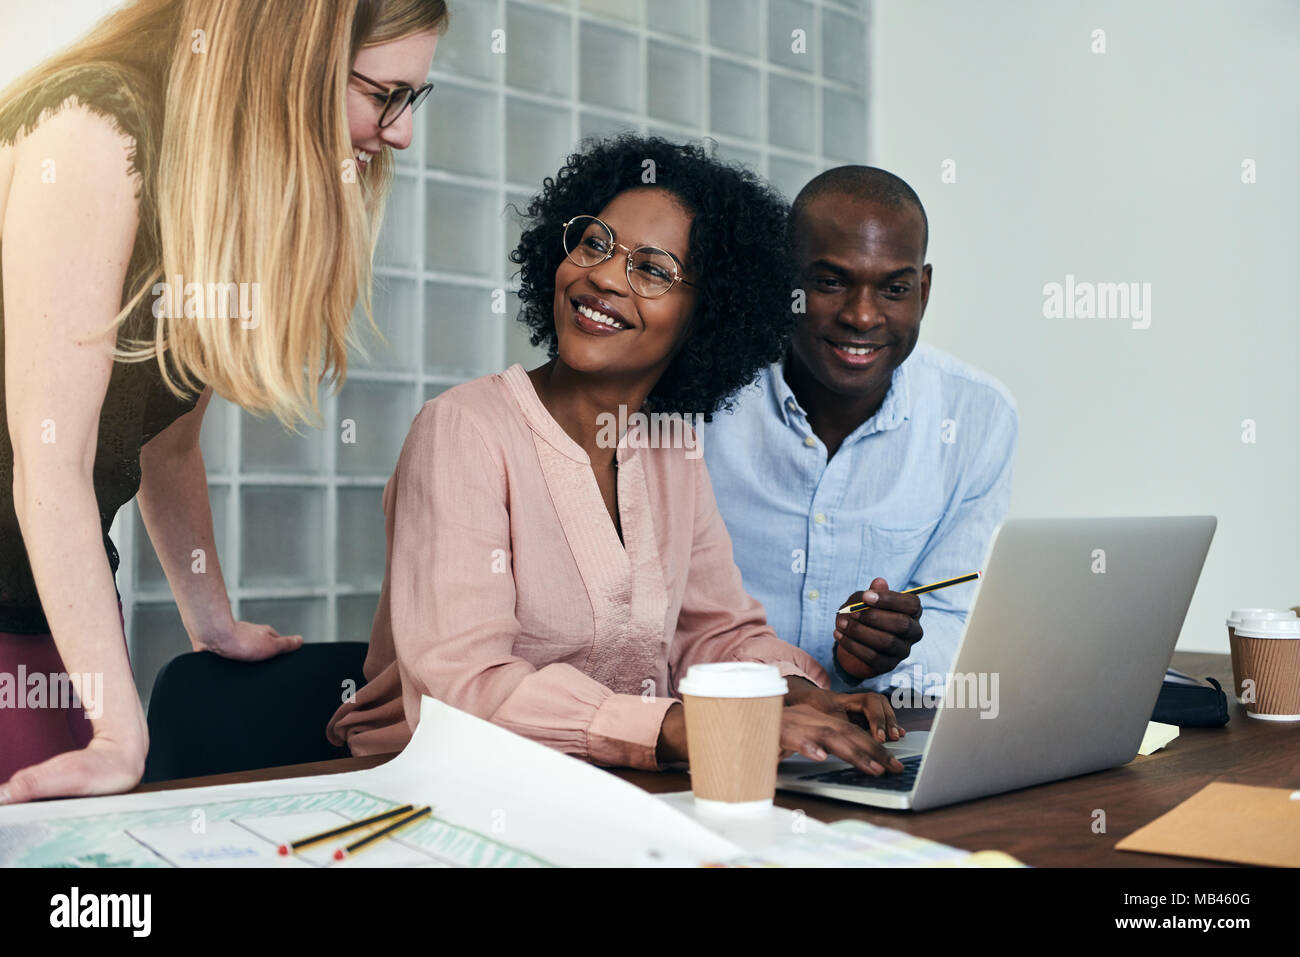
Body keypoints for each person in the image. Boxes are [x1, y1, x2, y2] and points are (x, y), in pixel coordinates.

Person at [327, 136, 908, 776]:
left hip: (608, 789)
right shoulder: (463, 430)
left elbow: (713, 634)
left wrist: (800, 698)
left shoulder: (669, 446)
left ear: (706, 316)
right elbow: (463, 691)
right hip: (432, 790)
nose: (602, 276)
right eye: (594, 244)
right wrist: (689, 726)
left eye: (654, 270)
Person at [0, 0, 448, 803]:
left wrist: (213, 622)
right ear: (292, 51)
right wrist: (117, 732)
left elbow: (165, 442)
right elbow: (48, 454)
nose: (401, 132)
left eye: (412, 98)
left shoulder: (210, 175)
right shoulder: (96, 127)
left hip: (40, 599)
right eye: (383, 94)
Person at [701, 166, 1019, 696]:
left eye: (894, 288)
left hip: (876, 738)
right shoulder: (700, 400)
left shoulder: (978, 417)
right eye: (830, 282)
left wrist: (885, 658)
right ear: (785, 281)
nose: (863, 316)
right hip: (719, 732)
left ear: (923, 289)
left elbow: (956, 618)